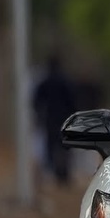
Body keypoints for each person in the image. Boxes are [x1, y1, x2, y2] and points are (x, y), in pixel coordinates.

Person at [33, 55, 76, 185]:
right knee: (64, 146)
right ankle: (63, 173)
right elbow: (72, 102)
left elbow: (36, 102)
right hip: (64, 120)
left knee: (51, 147)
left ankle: (53, 172)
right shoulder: (65, 81)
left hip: (50, 119)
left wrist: (40, 115)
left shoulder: (44, 82)